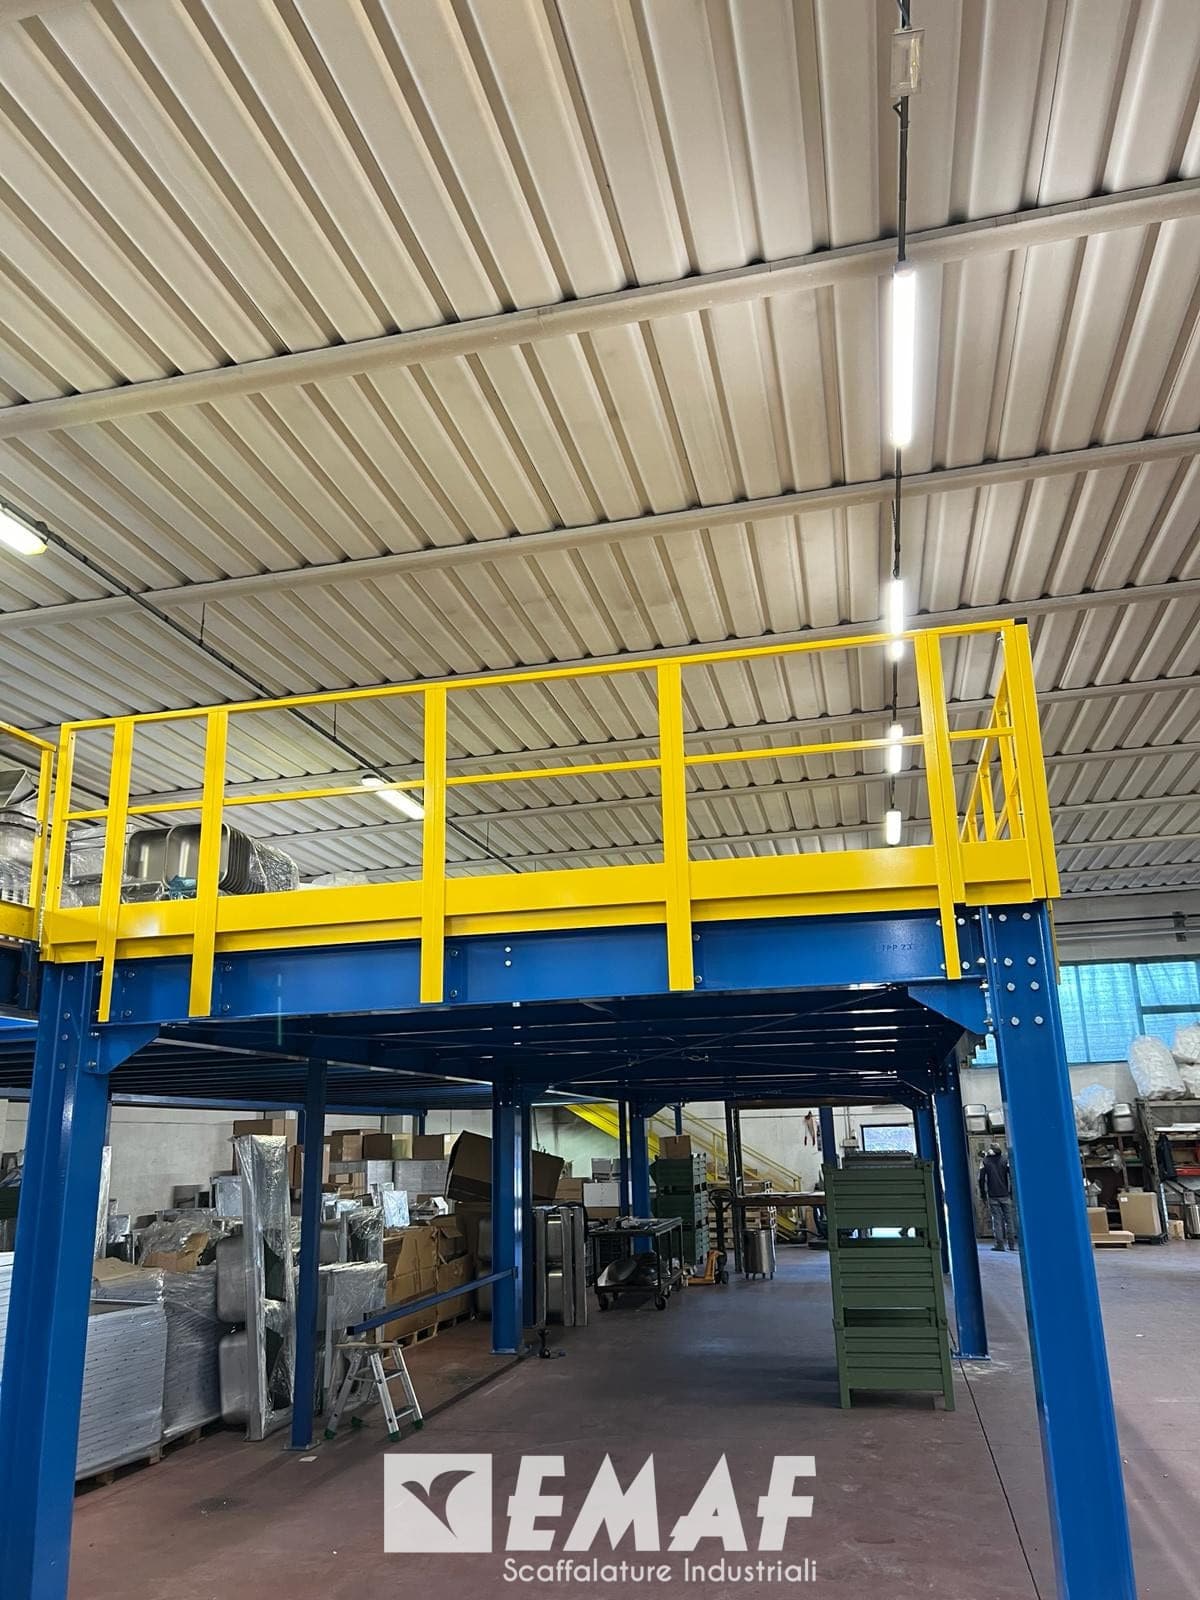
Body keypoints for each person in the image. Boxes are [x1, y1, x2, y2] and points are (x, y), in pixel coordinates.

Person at [978, 1143, 1018, 1251]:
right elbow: (1012, 1175)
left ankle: (1000, 1245)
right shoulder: (1005, 1160)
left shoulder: (985, 1161)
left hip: (993, 1196)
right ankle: (1011, 1245)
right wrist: (1012, 1192)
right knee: (1009, 1220)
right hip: (1005, 1195)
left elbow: (981, 1179)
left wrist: (983, 1194)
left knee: (997, 1220)